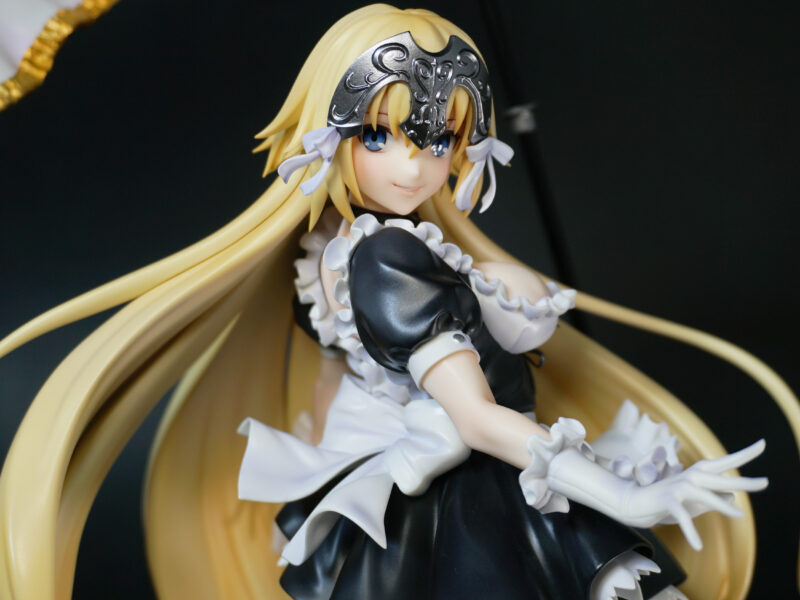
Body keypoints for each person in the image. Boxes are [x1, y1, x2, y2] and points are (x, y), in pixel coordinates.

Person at [0, 5, 787, 600]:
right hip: (481, 497)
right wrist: (624, 494)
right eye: (379, 135)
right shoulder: (383, 257)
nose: (412, 167)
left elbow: (332, 386)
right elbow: (476, 417)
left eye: (437, 140)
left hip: (465, 491)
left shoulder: (352, 246)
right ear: (332, 135)